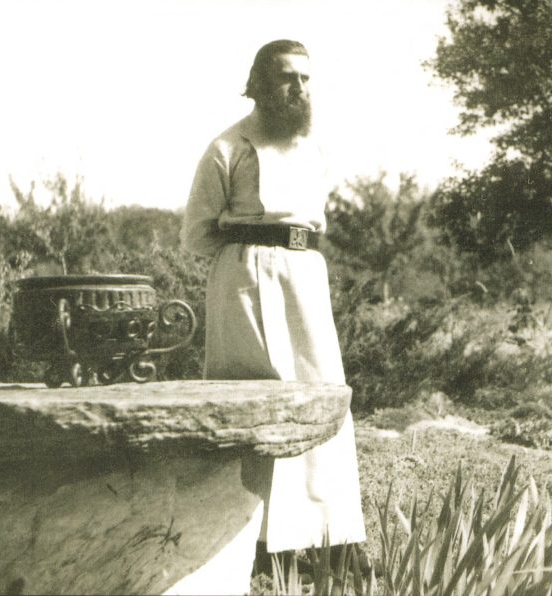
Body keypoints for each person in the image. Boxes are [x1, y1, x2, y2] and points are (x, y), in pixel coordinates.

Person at [170, 39, 366, 595]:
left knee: (324, 395)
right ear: (256, 84)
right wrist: (248, 256)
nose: (297, 88)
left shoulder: (314, 148)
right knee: (255, 399)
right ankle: (256, 544)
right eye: (285, 77)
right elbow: (196, 235)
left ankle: (334, 539)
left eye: (305, 78)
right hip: (244, 278)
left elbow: (314, 218)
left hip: (305, 275)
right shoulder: (226, 148)